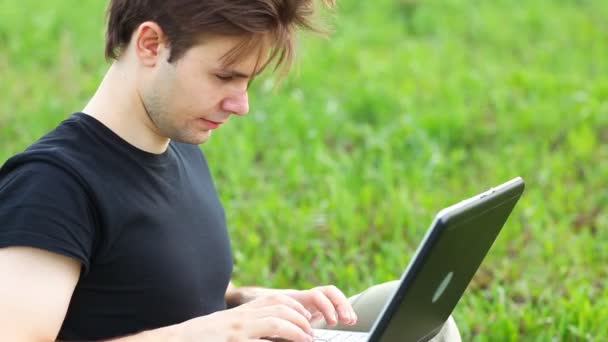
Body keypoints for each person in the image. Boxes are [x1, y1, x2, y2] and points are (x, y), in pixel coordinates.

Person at [0, 1, 461, 341]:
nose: (240, 105)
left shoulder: (177, 146)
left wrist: (251, 301)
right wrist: (213, 332)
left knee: (417, 315)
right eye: (225, 77)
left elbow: (169, 287)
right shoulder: (53, 184)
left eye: (248, 81)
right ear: (151, 44)